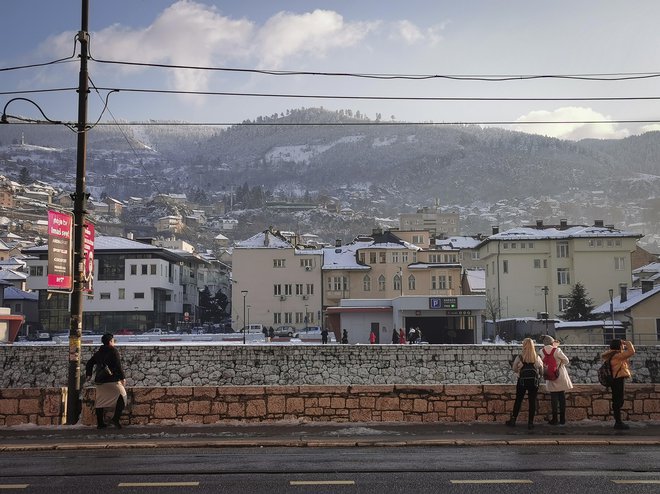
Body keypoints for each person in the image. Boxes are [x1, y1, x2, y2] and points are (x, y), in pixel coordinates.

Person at [85, 333, 127, 429]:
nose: (114, 343)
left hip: (100, 381)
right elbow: (118, 365)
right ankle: (115, 419)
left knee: (100, 401)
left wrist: (89, 374)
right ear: (110, 341)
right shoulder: (113, 351)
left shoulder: (99, 352)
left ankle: (100, 423)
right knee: (123, 397)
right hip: (112, 380)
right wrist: (122, 377)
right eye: (113, 341)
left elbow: (89, 363)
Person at [506, 337, 543, 429]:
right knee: (532, 401)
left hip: (522, 381)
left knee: (518, 400)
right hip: (533, 382)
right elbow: (541, 370)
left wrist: (519, 369)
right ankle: (530, 423)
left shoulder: (520, 357)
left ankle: (513, 420)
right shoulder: (536, 357)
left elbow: (514, 368)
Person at [601, 339, 636, 430]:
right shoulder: (617, 356)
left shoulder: (611, 355)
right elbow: (631, 351)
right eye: (621, 345)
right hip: (618, 380)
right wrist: (627, 342)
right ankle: (618, 422)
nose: (623, 347)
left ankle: (618, 421)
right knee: (618, 401)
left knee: (616, 400)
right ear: (619, 346)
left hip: (614, 380)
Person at [540, 335, 573, 425]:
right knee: (561, 398)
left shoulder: (541, 351)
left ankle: (554, 419)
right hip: (560, 375)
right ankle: (562, 419)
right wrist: (559, 363)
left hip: (550, 376)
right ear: (552, 342)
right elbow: (566, 361)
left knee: (553, 398)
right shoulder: (557, 350)